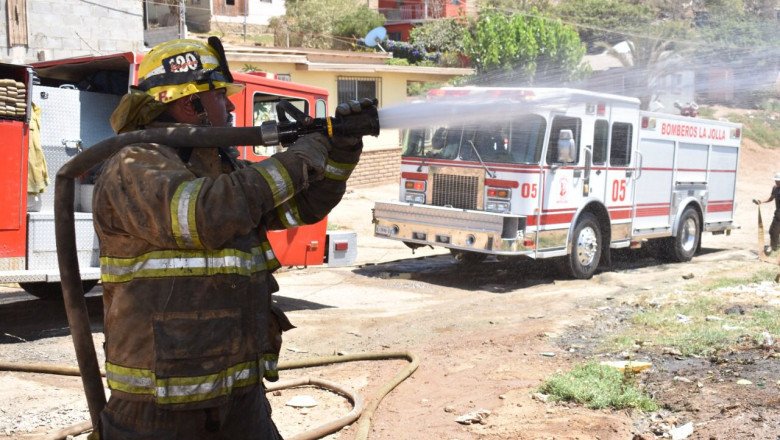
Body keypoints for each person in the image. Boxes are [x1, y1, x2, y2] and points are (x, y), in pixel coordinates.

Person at [93, 37, 375, 439]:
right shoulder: (136, 162)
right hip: (159, 410)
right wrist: (301, 157)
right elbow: (204, 215)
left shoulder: (219, 168)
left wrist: (341, 153)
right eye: (221, 97)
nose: (229, 108)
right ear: (189, 104)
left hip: (239, 400)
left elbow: (300, 209)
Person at [753, 172, 780, 256]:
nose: (776, 182)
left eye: (778, 181)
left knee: (774, 231)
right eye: (776, 181)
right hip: (778, 214)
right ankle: (775, 247)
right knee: (772, 231)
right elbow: (771, 198)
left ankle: (774, 247)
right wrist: (761, 201)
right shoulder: (775, 188)